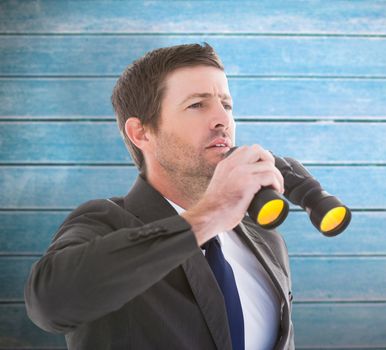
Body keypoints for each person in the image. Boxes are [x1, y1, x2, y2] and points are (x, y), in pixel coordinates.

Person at [24, 43, 294, 350]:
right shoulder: (107, 222)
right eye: (197, 105)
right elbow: (50, 304)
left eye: (227, 105)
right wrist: (209, 215)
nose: (223, 120)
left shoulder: (266, 241)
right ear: (141, 133)